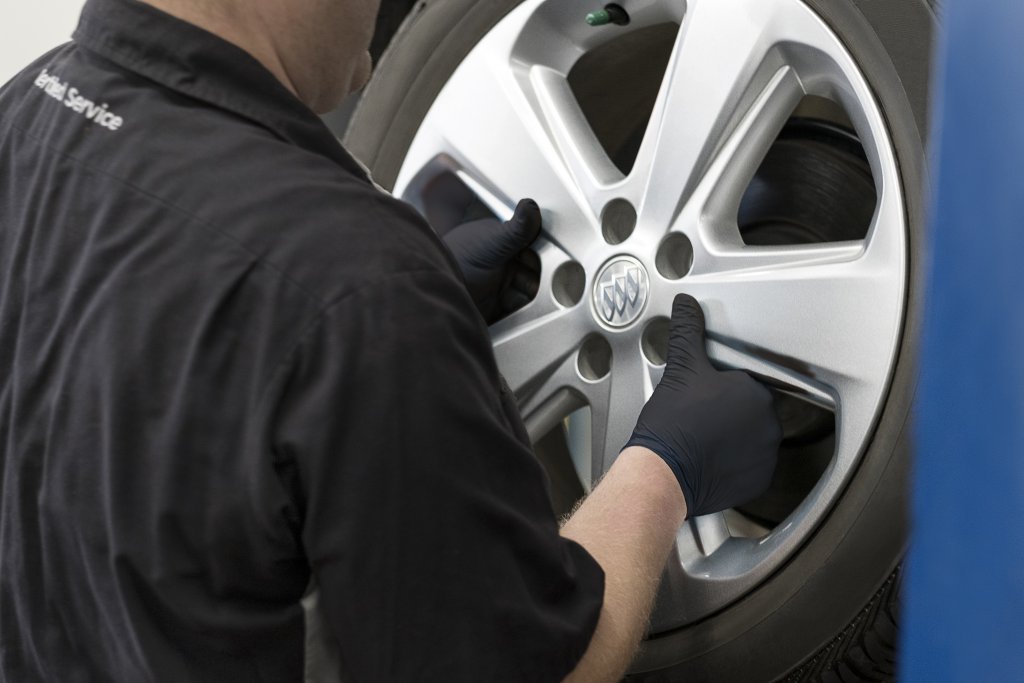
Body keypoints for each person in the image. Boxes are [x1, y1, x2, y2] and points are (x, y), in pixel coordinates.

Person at [0, 0, 782, 680]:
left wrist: (383, 340)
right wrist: (663, 471)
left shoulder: (25, 111)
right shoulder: (360, 284)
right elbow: (550, 668)